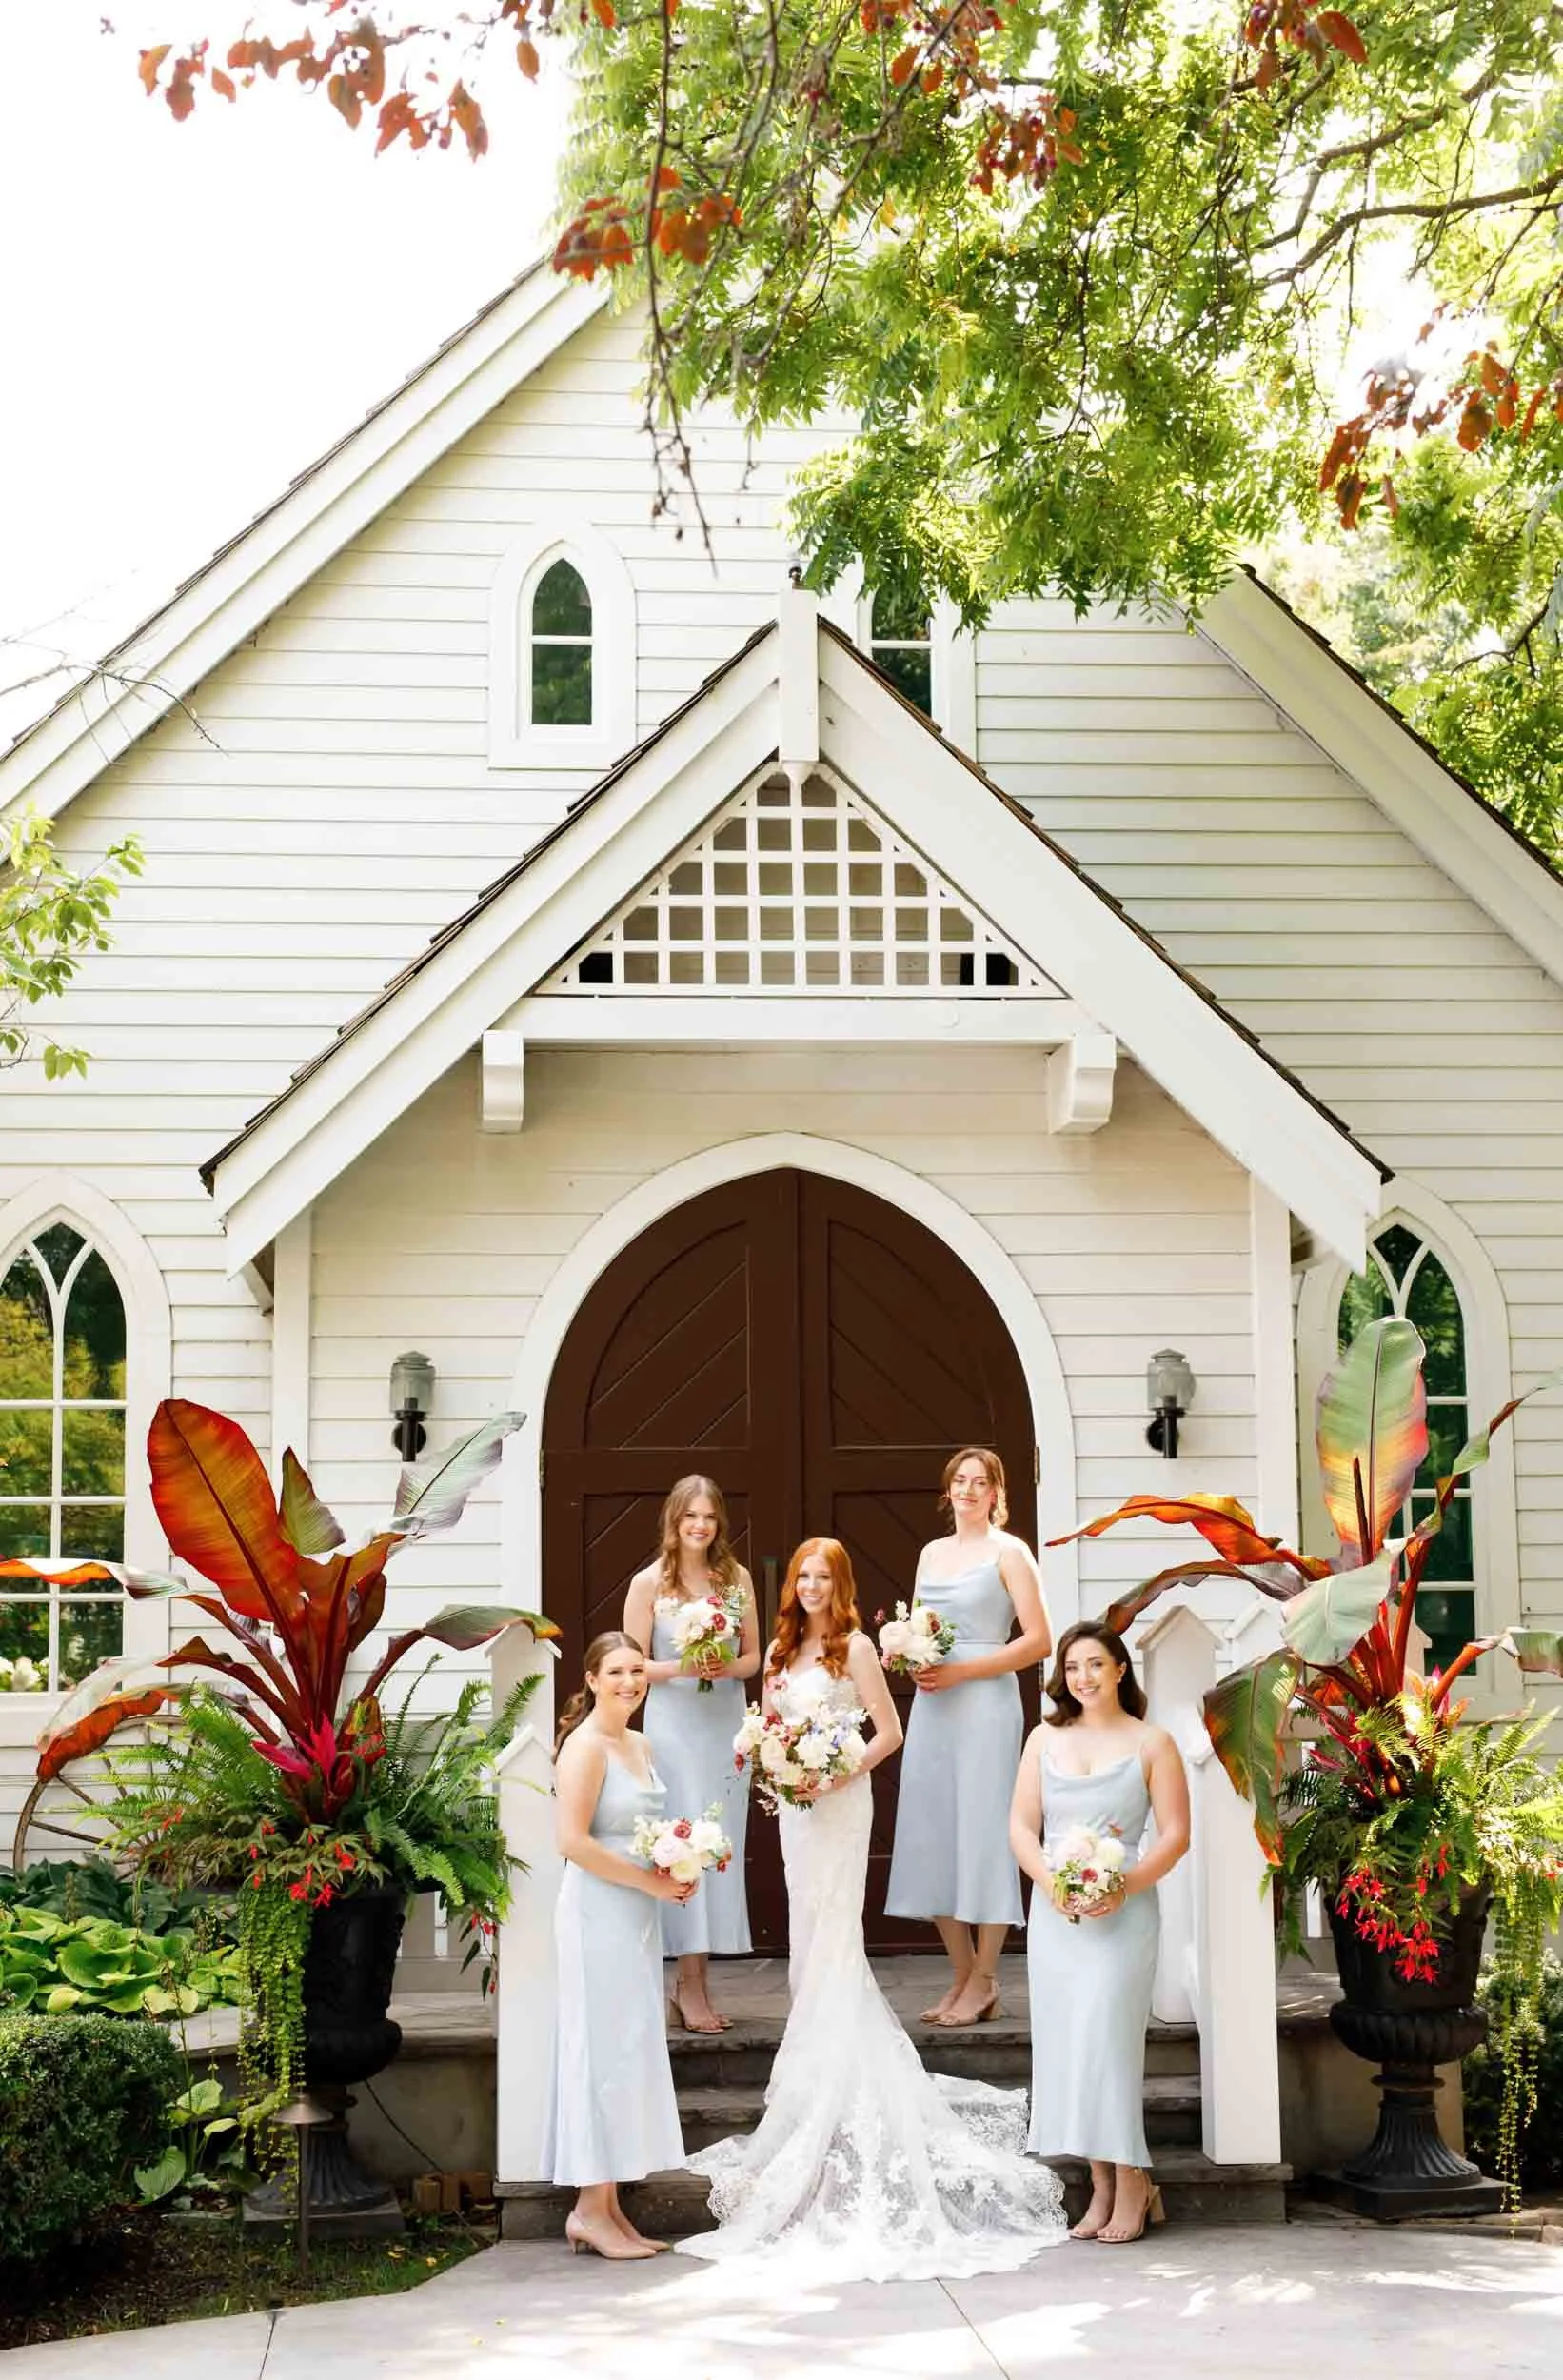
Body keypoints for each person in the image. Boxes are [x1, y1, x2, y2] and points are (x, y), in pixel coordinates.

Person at [679, 1538, 1066, 2283]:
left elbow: (887, 1733)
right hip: (795, 1810)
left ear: (842, 1584)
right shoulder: (781, 1651)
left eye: (826, 1576)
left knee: (834, 1932)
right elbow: (764, 1733)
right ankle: (809, 2067)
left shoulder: (855, 1649)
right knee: (804, 1931)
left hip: (841, 1804)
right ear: (792, 1585)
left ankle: (837, 2073)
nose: (814, 1585)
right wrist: (780, 1766)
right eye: (804, 1576)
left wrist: (833, 1770)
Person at [1010, 1619, 1191, 2245]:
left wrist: (1124, 1886)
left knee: (1111, 2049)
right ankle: (1102, 2184)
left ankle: (1136, 2180)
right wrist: (1052, 1883)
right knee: (1071, 2049)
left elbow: (1173, 1836)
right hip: (1058, 1919)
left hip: (1124, 1915)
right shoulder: (1043, 1738)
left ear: (1120, 1670)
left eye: (1096, 1664)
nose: (1083, 1677)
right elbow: (1021, 1826)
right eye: (1073, 1667)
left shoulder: (1153, 1743)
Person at [885, 1446, 1053, 2027]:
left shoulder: (1011, 1553)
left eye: (980, 1482)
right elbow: (920, 1627)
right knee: (934, 1830)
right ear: (948, 1490)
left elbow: (1038, 1641)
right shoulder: (931, 1553)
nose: (968, 1490)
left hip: (985, 1702)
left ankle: (985, 1979)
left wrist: (963, 1670)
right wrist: (909, 1657)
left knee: (983, 1832)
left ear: (996, 1493)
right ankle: (960, 1974)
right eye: (960, 1480)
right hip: (935, 1705)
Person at [543, 1631, 696, 2259]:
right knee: (597, 2052)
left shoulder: (640, 1743)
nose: (630, 1681)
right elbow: (572, 1843)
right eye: (617, 1672)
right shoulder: (585, 1748)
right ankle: (586, 2206)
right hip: (597, 1914)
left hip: (636, 1916)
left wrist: (681, 1858)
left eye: (638, 1670)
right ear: (592, 1678)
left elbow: (648, 1829)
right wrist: (646, 1882)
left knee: (627, 2049)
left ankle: (608, 2206)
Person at [624, 1475, 759, 2033]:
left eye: (708, 1517)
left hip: (724, 1723)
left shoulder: (737, 1579)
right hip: (674, 1727)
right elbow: (630, 1666)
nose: (700, 1526)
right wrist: (684, 1666)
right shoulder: (647, 1584)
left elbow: (754, 1659)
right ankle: (685, 1982)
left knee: (717, 1844)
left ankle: (698, 1977)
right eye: (690, 1518)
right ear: (673, 1524)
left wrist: (723, 1667)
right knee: (680, 1843)